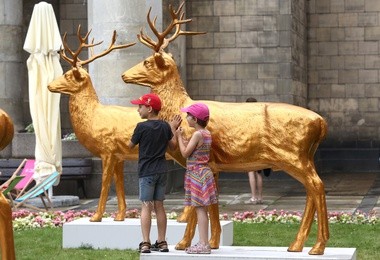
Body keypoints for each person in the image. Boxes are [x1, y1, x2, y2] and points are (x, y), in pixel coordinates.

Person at [128, 93, 181, 254]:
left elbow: (129, 145)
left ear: (149, 108)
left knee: (146, 205)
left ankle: (145, 242)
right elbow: (173, 147)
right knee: (159, 206)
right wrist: (173, 129)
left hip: (146, 172)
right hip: (162, 170)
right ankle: (162, 241)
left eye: (140, 106)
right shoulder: (165, 126)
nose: (138, 110)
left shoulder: (141, 127)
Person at [176, 103, 218, 254]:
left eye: (188, 115)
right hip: (203, 172)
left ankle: (203, 244)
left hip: (197, 174)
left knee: (200, 210)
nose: (186, 118)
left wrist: (179, 137)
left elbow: (185, 153)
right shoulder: (206, 133)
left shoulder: (198, 134)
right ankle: (203, 242)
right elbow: (196, 150)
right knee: (202, 209)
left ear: (194, 119)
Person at [246, 97, 271, 204]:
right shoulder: (261, 117)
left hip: (251, 144)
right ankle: (260, 197)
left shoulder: (247, 117)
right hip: (260, 144)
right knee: (259, 172)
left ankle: (253, 197)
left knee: (251, 171)